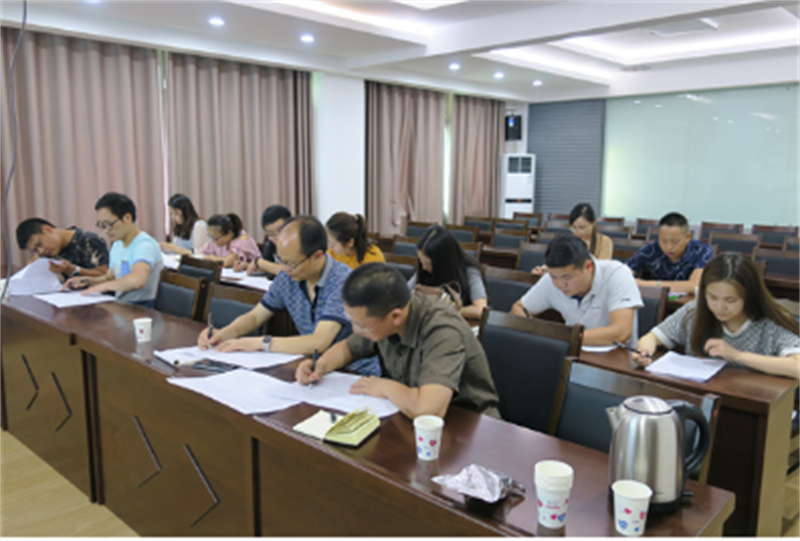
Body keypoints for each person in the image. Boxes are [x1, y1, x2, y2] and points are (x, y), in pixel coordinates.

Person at [295, 263, 501, 419]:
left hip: (469, 426)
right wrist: (320, 366)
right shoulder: (382, 317)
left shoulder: (442, 330)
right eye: (353, 323)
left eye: (361, 326)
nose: (356, 330)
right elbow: (348, 348)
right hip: (407, 415)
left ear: (395, 317)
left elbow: (428, 410)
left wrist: (385, 387)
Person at [197, 216, 353, 356]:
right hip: (312, 365)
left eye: (291, 263)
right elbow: (255, 317)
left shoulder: (342, 281)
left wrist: (260, 343)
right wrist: (222, 334)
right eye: (281, 261)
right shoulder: (289, 275)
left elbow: (318, 342)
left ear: (317, 256)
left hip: (351, 372)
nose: (285, 269)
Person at [633, 254, 800, 379]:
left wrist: (736, 355)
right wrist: (644, 352)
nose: (719, 307)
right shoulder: (694, 311)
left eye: (730, 300)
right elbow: (652, 337)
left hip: (754, 403)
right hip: (698, 397)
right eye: (712, 297)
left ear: (750, 295)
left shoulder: (771, 322)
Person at [511, 234, 643, 346]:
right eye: (553, 276)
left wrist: (564, 337)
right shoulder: (552, 280)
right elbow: (519, 307)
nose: (560, 284)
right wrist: (535, 332)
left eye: (567, 277)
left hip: (616, 359)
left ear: (588, 267)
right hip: (574, 353)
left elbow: (621, 333)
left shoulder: (617, 274)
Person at [63, 192, 163, 307]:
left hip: (141, 308)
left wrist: (103, 287)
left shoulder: (144, 245)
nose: (106, 231)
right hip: (122, 306)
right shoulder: (117, 244)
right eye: (102, 225)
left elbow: (138, 280)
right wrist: (87, 281)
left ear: (127, 218)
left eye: (109, 224)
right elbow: (110, 277)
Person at [410, 226, 488, 321]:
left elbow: (480, 310)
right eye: (421, 261)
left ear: (443, 262)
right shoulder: (425, 270)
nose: (423, 267)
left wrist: (444, 310)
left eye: (428, 263)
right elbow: (404, 295)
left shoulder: (469, 271)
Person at [626, 212, 714, 294]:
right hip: (657, 302)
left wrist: (646, 284)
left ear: (687, 237)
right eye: (663, 241)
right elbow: (624, 273)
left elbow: (695, 285)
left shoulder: (702, 251)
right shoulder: (651, 250)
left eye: (674, 242)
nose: (669, 247)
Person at [531, 203, 613, 275]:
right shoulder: (570, 240)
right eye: (574, 228)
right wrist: (544, 269)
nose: (578, 232)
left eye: (582, 228)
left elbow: (600, 269)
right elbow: (558, 260)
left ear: (593, 223)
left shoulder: (604, 242)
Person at [16, 217, 109, 279]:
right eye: (35, 250)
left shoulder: (88, 240)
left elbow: (106, 275)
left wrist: (72, 270)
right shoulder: (49, 252)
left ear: (47, 229)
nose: (41, 251)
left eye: (39, 244)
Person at [242, 205, 291, 275]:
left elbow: (292, 272)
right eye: (271, 234)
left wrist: (259, 262)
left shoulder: (301, 245)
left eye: (280, 230)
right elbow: (268, 267)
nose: (276, 237)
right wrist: (249, 266)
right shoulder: (271, 246)